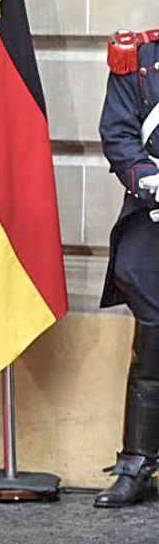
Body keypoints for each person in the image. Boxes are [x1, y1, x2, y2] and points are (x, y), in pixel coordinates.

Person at [97, 28, 159, 507]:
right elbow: (118, 132)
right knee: (153, 332)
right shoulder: (137, 58)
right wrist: (149, 182)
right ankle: (137, 463)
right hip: (154, 215)